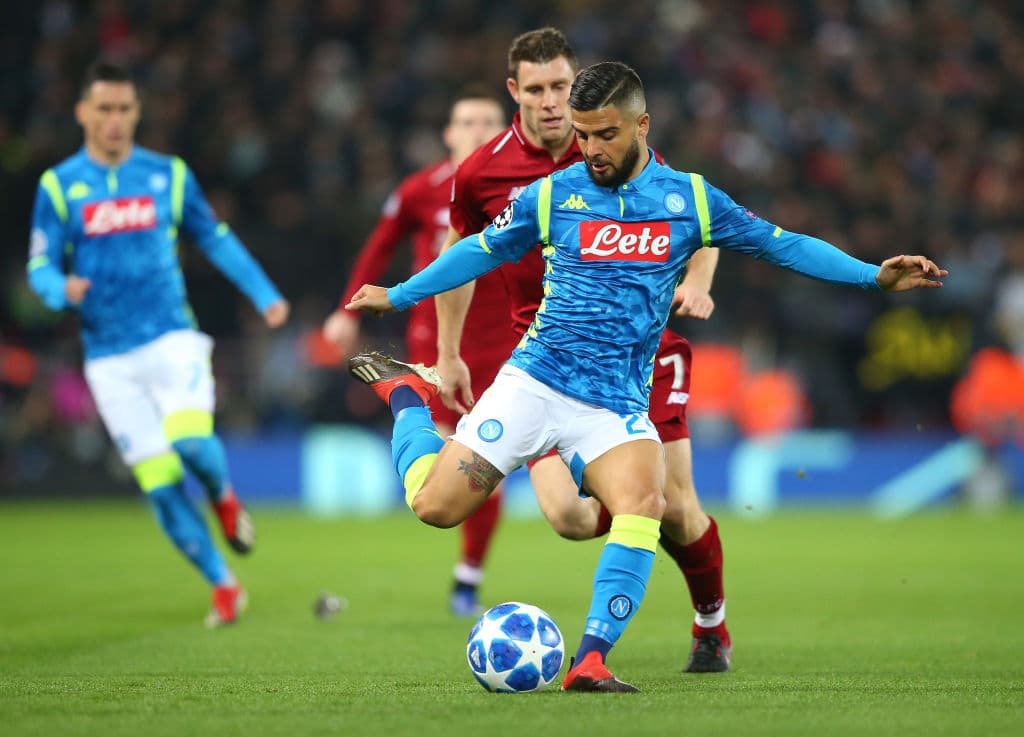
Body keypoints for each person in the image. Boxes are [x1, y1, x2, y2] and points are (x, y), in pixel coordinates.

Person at [345, 60, 946, 692]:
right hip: (533, 383)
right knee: (434, 508)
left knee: (645, 503)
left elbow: (782, 243)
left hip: (612, 405)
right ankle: (406, 396)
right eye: (581, 135)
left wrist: (872, 275)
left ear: (641, 124)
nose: (590, 150)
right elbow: (479, 248)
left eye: (605, 134)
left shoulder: (688, 198)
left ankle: (591, 659)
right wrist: (402, 294)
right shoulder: (554, 196)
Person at [435, 27, 732, 672]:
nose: (550, 102)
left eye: (560, 87)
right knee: (569, 517)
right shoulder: (482, 174)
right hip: (546, 366)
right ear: (514, 92)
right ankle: (631, 525)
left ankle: (711, 625)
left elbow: (698, 214)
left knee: (677, 510)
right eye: (536, 89)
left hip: (638, 356)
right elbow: (458, 260)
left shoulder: (608, 140)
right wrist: (450, 352)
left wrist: (698, 281)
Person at [26, 62, 290, 627]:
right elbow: (40, 264)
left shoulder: (167, 175)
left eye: (124, 109)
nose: (115, 120)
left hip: (172, 340)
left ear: (137, 113)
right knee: (161, 487)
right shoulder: (58, 185)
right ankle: (224, 586)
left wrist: (263, 293)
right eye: (104, 109)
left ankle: (223, 495)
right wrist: (58, 288)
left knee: (191, 445)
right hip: (108, 359)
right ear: (83, 113)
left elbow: (213, 237)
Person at [321, 89, 513, 616]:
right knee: (458, 465)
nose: (476, 130)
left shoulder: (521, 188)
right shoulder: (420, 190)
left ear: (504, 132)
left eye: (488, 122)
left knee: (489, 468)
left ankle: (468, 574)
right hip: (437, 339)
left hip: (508, 342)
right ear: (449, 134)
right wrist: (346, 310)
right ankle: (468, 579)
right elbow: (379, 245)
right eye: (466, 121)